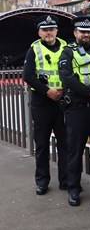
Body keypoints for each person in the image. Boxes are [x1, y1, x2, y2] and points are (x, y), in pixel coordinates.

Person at [58, 15, 90, 207]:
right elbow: (67, 78)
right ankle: (74, 189)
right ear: (75, 33)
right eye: (82, 32)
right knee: (75, 151)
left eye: (89, 31)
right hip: (77, 109)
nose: (86, 35)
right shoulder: (67, 52)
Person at [23, 14, 68, 195]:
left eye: (51, 29)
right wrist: (47, 91)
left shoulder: (67, 48)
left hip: (63, 101)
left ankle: (66, 180)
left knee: (65, 144)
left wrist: (64, 90)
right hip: (42, 102)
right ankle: (42, 181)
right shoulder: (33, 50)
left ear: (56, 30)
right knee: (41, 144)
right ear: (39, 32)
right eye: (45, 30)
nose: (49, 32)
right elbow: (28, 75)